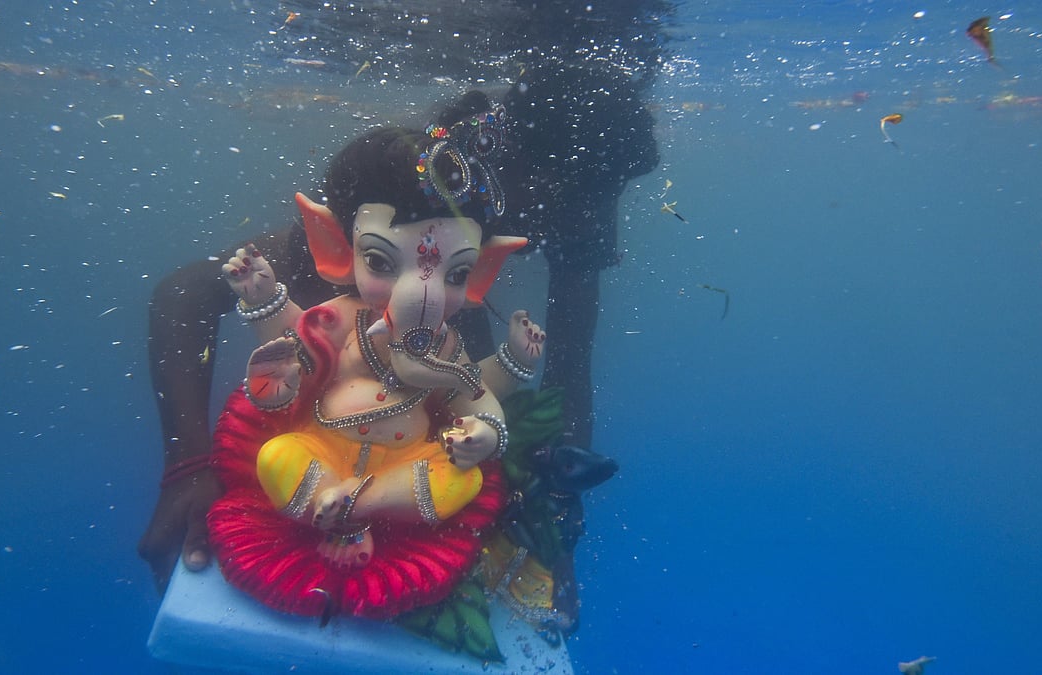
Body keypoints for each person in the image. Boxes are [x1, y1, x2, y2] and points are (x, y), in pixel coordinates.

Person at [138, 58, 660, 629]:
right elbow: (185, 292)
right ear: (536, 174)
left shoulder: (568, 198)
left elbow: (566, 366)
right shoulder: (391, 189)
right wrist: (188, 467)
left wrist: (553, 525)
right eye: (595, 193)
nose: (599, 215)